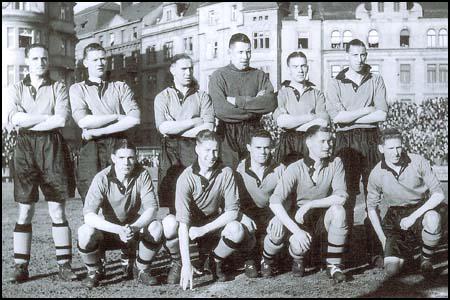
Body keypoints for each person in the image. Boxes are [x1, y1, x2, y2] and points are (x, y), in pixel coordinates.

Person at [5, 43, 77, 283]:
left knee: (57, 208)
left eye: (44, 58)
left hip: (52, 147)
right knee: (25, 210)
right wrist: (46, 117)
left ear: (48, 61)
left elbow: (62, 119)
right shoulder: (14, 88)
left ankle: (64, 265)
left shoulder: (58, 86)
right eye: (35, 59)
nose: (40, 63)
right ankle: (20, 266)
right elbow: (13, 118)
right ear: (28, 61)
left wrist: (29, 120)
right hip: (25, 148)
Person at [325, 39, 388, 266]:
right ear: (347, 56)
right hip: (346, 141)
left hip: (370, 139)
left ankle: (375, 249)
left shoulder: (376, 79)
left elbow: (382, 115)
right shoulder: (335, 83)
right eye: (355, 55)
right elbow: (337, 118)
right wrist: (366, 110)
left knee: (373, 194)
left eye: (363, 55)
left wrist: (352, 115)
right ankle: (346, 249)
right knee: (347, 194)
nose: (359, 59)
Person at [154, 54, 215, 284]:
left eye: (190, 68)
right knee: (173, 212)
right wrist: (193, 122)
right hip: (171, 157)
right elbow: (163, 127)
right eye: (183, 69)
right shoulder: (162, 97)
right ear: (172, 70)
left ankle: (202, 259)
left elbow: (208, 127)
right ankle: (177, 260)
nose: (188, 72)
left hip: (196, 153)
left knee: (200, 206)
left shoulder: (202, 96)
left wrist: (178, 128)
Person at [77, 139, 164, 288]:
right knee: (85, 231)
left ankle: (142, 269)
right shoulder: (101, 178)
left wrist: (134, 228)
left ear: (136, 158)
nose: (126, 162)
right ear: (113, 158)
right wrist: (118, 230)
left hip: (132, 230)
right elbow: (89, 216)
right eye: (122, 158)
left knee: (156, 227)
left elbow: (152, 209)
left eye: (130, 158)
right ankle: (94, 271)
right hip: (109, 231)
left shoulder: (143, 174)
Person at [176, 130, 256, 290]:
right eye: (207, 150)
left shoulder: (226, 172)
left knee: (237, 229)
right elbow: (183, 224)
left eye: (215, 150)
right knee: (170, 226)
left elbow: (232, 211)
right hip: (193, 228)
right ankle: (178, 263)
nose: (212, 155)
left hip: (211, 225)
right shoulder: (186, 178)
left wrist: (203, 229)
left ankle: (214, 261)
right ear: (197, 149)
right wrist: (186, 264)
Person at [269, 126, 348, 283]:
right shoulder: (295, 168)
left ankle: (333, 265)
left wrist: (311, 204)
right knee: (298, 246)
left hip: (322, 216)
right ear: (309, 143)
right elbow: (274, 202)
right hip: (301, 219)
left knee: (339, 211)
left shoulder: (336, 163)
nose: (328, 145)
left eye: (330, 141)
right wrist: (296, 231)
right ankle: (298, 258)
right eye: (323, 141)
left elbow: (341, 197)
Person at [367, 128, 446, 278]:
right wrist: (383, 239)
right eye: (390, 148)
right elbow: (371, 209)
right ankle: (408, 253)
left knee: (433, 218)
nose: (396, 152)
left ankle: (425, 260)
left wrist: (413, 217)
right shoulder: (376, 173)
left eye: (399, 147)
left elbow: (438, 195)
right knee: (392, 270)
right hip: (396, 216)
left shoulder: (418, 161)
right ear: (381, 149)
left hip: (421, 209)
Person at [69, 43, 141, 203]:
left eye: (103, 59)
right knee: (92, 200)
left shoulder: (120, 86)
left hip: (119, 145)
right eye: (95, 60)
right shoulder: (77, 89)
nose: (100, 63)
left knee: (121, 198)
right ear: (85, 63)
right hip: (91, 148)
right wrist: (117, 116)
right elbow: (83, 121)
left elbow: (135, 119)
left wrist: (97, 131)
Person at [208, 33, 277, 168]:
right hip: (227, 134)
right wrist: (255, 105)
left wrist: (238, 101)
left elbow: (270, 103)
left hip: (254, 130)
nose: (245, 57)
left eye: (248, 52)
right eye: (240, 52)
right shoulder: (218, 76)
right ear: (230, 52)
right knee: (229, 176)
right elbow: (221, 110)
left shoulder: (259, 75)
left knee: (255, 174)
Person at [235, 129, 287, 278]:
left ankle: (267, 259)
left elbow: (288, 198)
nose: (263, 152)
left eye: (267, 147)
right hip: (249, 214)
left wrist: (279, 217)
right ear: (249, 147)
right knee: (239, 228)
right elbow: (232, 201)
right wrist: (241, 216)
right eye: (258, 147)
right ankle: (249, 259)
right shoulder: (238, 170)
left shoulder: (280, 169)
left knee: (279, 230)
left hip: (271, 213)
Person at [273, 51, 329, 165]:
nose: (300, 70)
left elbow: (323, 122)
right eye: (295, 66)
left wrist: (292, 123)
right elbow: (282, 122)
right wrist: (310, 117)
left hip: (311, 143)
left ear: (307, 67)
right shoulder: (281, 93)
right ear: (289, 69)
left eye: (303, 66)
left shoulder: (317, 94)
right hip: (288, 145)